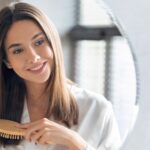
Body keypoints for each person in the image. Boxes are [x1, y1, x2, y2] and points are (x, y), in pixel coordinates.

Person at [0, 2, 121, 150]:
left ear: (53, 42)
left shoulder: (96, 109)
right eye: (18, 50)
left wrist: (73, 140)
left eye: (39, 42)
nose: (33, 57)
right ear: (7, 61)